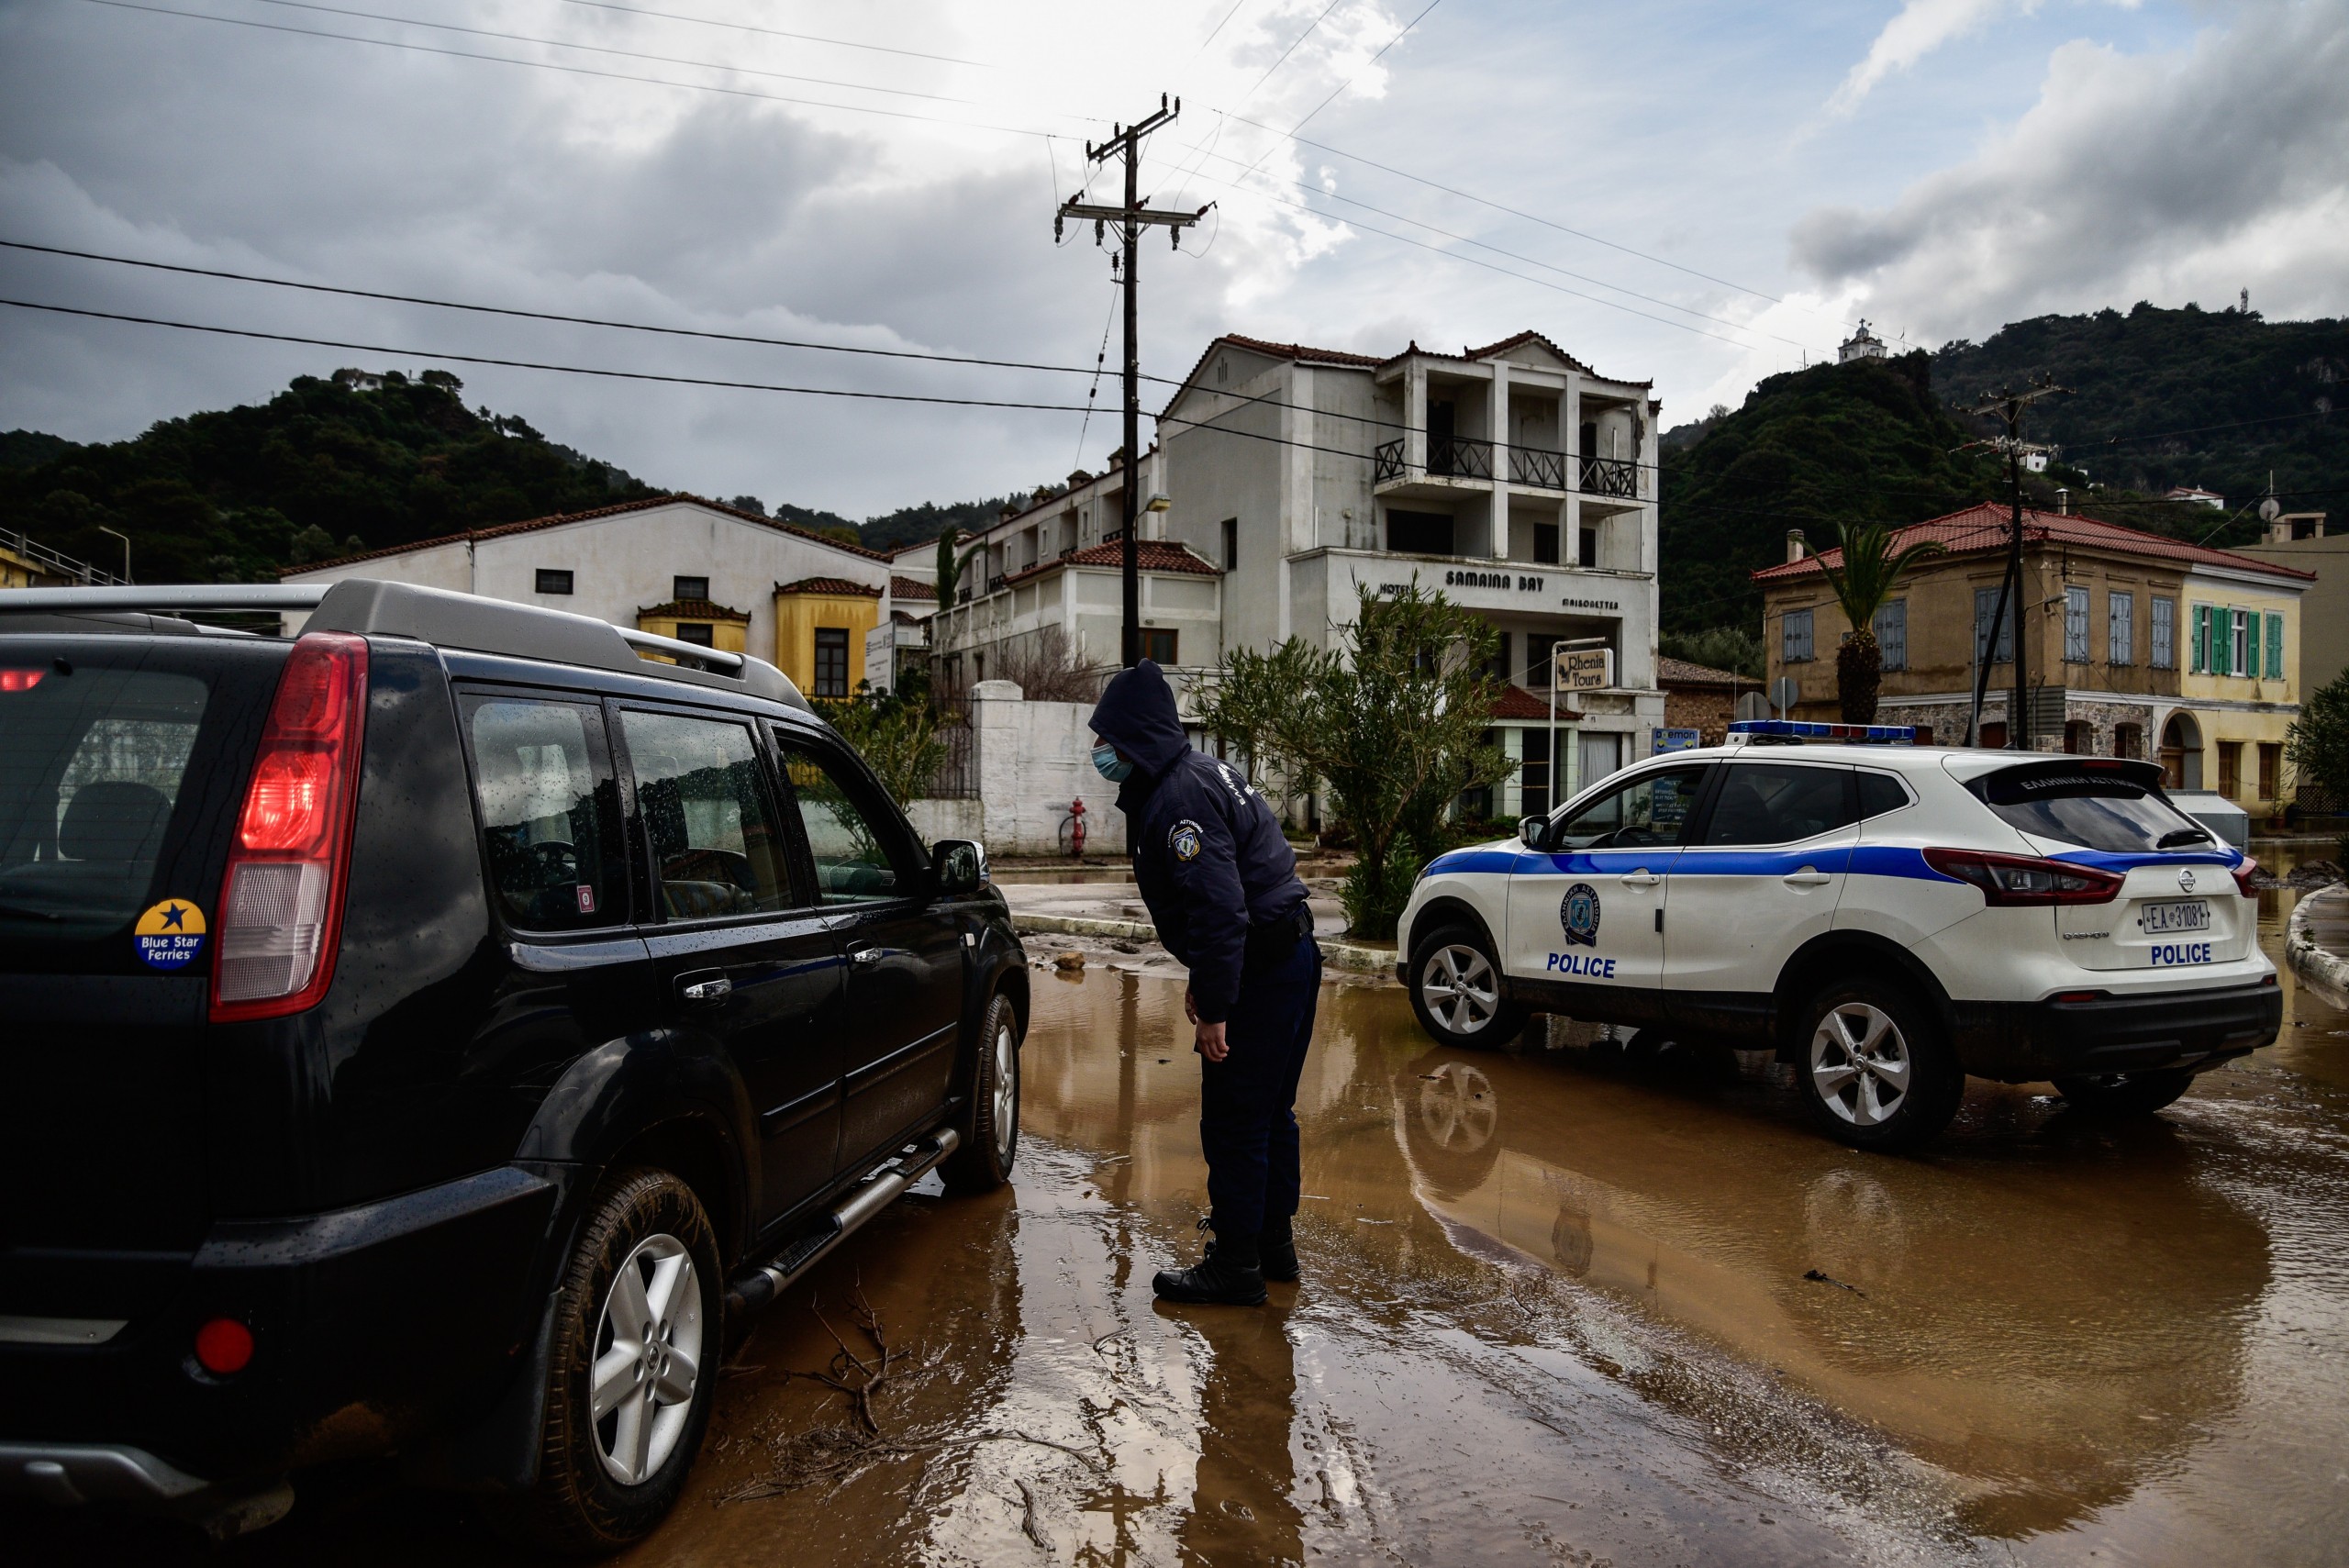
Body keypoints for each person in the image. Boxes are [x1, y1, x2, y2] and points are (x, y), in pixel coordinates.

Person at [1088, 659, 1319, 1306]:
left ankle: (1237, 1266)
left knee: (1236, 1119)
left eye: (1106, 739)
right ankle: (1273, 1247)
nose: (1099, 752)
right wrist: (1207, 978)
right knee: (1271, 1114)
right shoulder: (1202, 771)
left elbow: (1220, 909)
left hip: (1265, 968)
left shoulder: (1178, 798)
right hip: (1288, 954)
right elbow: (1226, 899)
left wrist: (1217, 1006)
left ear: (1134, 738)